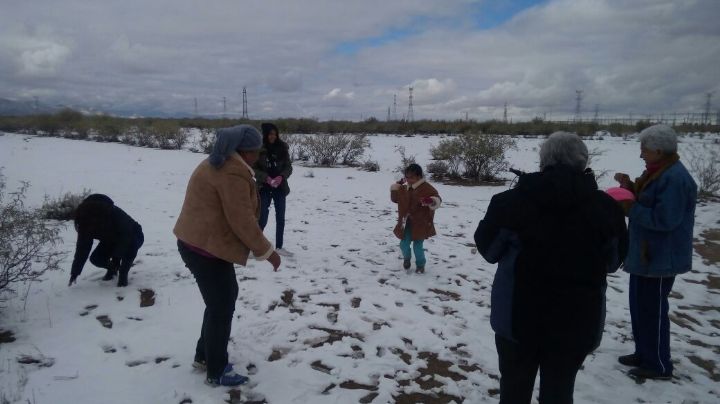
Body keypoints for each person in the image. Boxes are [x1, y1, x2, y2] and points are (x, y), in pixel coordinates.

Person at [475, 132, 628, 404]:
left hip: (517, 321)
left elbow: (489, 251)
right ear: (583, 162)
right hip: (578, 322)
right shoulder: (607, 208)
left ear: (543, 160)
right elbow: (613, 261)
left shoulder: (508, 203)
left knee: (513, 391)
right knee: (559, 392)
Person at [174, 124, 282, 387]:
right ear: (244, 151)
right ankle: (216, 369)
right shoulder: (231, 171)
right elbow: (242, 220)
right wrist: (268, 252)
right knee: (222, 305)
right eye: (255, 151)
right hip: (205, 249)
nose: (258, 156)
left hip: (200, 244)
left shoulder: (220, 162)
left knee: (219, 303)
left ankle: (205, 357)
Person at [614, 124, 697, 381]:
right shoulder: (659, 171)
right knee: (640, 307)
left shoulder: (674, 178)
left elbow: (665, 220)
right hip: (644, 256)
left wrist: (629, 208)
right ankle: (645, 353)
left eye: (645, 150)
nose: (641, 154)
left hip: (660, 258)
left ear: (659, 150)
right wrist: (630, 186)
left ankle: (659, 365)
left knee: (653, 311)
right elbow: (649, 199)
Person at [68, 194, 144, 287]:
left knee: (128, 251)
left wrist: (116, 258)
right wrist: (75, 272)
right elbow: (83, 247)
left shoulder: (114, 214)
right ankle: (113, 269)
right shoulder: (84, 221)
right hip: (111, 239)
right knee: (96, 259)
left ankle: (123, 273)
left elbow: (127, 236)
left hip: (133, 236)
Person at [390, 164, 442, 274]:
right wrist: (396, 187)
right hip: (406, 222)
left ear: (419, 177)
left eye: (411, 177)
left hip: (420, 223)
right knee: (403, 244)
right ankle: (407, 258)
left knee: (418, 246)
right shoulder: (404, 188)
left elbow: (437, 198)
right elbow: (395, 199)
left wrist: (431, 200)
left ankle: (420, 264)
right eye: (407, 177)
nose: (408, 180)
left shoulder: (426, 188)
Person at [254, 123, 294, 257]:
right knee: (262, 217)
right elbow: (253, 168)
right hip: (264, 187)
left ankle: (279, 247)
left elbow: (289, 167)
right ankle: (256, 247)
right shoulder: (258, 149)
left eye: (275, 134)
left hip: (280, 188)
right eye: (270, 134)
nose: (273, 136)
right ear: (265, 134)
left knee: (280, 217)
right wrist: (266, 178)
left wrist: (281, 177)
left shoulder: (283, 148)